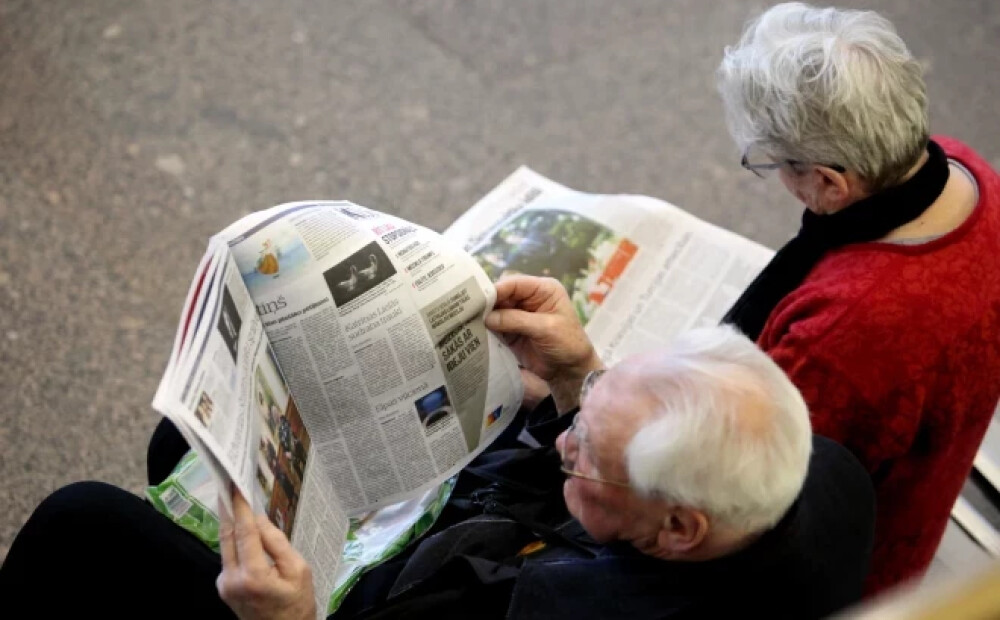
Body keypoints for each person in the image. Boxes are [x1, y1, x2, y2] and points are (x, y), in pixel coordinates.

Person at [0, 275, 874, 619]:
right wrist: (581, 377)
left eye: (582, 452)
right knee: (182, 444)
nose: (564, 436)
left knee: (85, 526)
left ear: (678, 530)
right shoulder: (815, 475)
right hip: (472, 535)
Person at [716, 2, 1000, 595]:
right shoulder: (970, 174)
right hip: (919, 506)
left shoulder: (840, 338)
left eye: (774, 163)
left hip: (848, 577)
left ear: (828, 182)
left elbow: (742, 497)